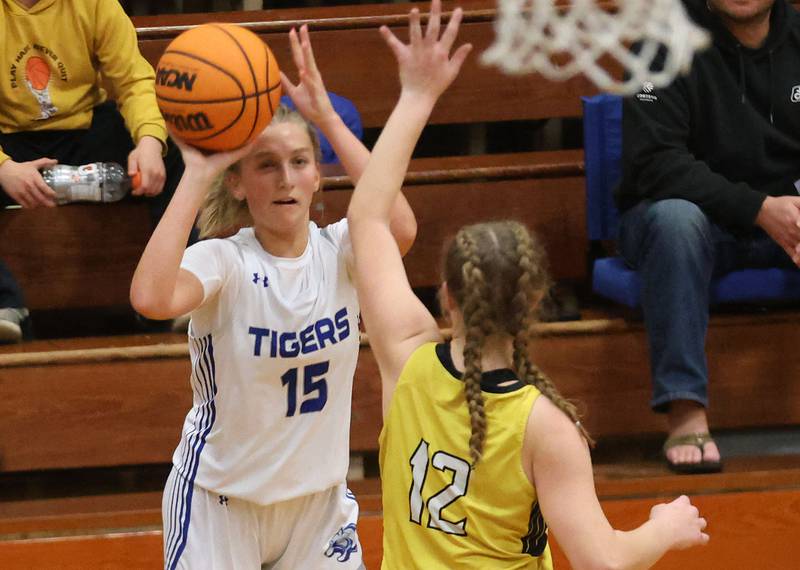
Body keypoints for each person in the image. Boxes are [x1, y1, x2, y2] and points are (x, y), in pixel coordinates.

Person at [346, 1, 709, 567]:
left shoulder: (407, 358)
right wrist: (665, 529)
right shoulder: (545, 425)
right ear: (536, 301)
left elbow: (367, 216)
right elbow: (603, 561)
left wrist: (417, 96)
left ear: (447, 294)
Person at [130, 23, 416, 569]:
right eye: (267, 164)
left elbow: (400, 227)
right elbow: (149, 297)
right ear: (237, 182)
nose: (286, 178)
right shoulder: (225, 261)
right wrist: (197, 172)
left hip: (318, 505)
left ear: (317, 177)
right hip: (220, 502)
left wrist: (326, 119)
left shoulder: (343, 251)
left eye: (300, 162)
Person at [615, 0, 800, 473]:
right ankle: (685, 410)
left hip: (788, 221)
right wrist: (758, 209)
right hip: (688, 224)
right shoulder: (659, 45)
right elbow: (655, 163)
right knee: (676, 220)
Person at [0, 0, 182, 342]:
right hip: (9, 141)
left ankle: (169, 294)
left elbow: (133, 80)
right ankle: (5, 305)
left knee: (173, 148)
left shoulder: (95, 3)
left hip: (86, 129)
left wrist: (148, 142)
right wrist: (3, 167)